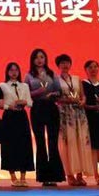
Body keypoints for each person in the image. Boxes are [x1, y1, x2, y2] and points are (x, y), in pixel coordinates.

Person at [25, 48, 65, 187]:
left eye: (42, 57)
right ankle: (43, 176)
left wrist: (53, 94)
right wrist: (38, 92)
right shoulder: (29, 76)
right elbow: (26, 94)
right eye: (36, 57)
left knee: (53, 142)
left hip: (51, 108)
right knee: (40, 142)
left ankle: (55, 176)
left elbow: (59, 91)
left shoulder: (52, 74)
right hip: (37, 108)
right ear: (33, 60)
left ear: (45, 59)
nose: (39, 60)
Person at [54, 54, 93, 186]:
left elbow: (83, 96)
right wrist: (67, 100)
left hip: (79, 114)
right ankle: (69, 175)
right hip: (65, 115)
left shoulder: (77, 79)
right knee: (68, 144)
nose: (65, 65)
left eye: (67, 63)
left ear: (70, 64)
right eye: (62, 63)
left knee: (81, 142)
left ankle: (80, 175)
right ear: (58, 65)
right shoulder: (56, 80)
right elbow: (56, 98)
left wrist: (82, 102)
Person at [0, 62, 34, 187]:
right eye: (11, 70)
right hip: (9, 116)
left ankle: (23, 176)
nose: (14, 73)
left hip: (21, 116)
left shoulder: (24, 85)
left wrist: (24, 102)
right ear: (7, 72)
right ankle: (13, 176)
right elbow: (0, 104)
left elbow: (30, 102)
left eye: (16, 70)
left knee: (24, 145)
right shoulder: (2, 86)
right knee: (9, 145)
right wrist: (10, 106)